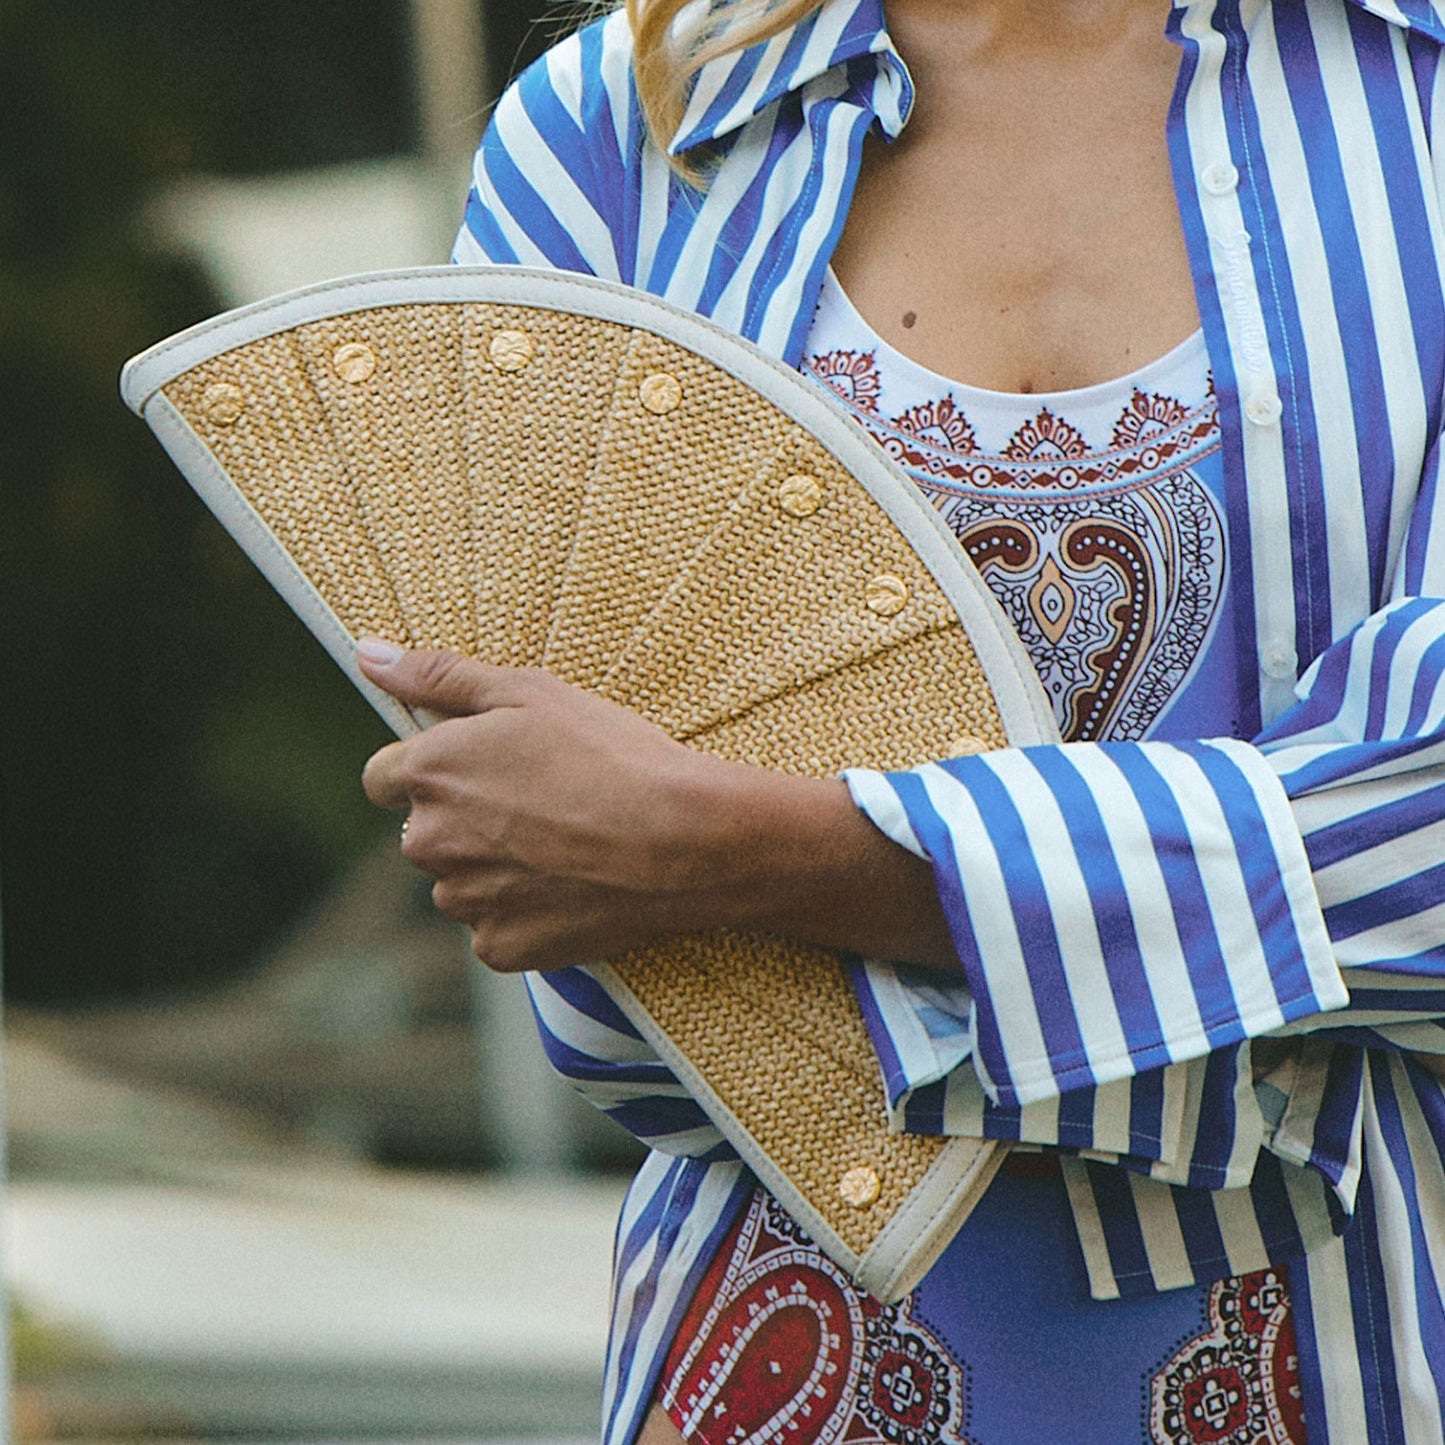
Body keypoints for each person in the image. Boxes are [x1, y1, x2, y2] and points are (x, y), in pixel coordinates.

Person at [357, 0, 1445, 1440]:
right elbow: (581, 932)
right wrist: (1234, 974)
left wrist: (740, 846)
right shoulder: (621, 124)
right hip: (759, 1361)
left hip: (1366, 1355)